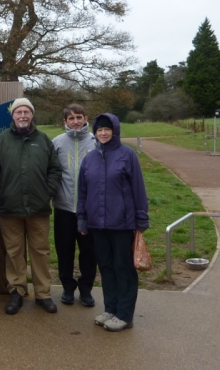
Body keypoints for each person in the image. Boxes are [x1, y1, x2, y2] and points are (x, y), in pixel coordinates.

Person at [77, 113, 149, 332]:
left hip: (122, 224)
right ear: (95, 133)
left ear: (115, 130)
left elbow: (138, 187)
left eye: (107, 129)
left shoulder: (127, 155)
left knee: (123, 267)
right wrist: (82, 218)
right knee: (106, 267)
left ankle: (125, 314)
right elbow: (82, 191)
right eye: (99, 130)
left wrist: (141, 216)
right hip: (97, 225)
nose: (103, 133)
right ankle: (111, 308)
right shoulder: (89, 158)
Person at [0, 98, 62, 315]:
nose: (22, 115)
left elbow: (55, 169)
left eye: (26, 112)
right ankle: (17, 291)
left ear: (32, 115)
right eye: (18, 112)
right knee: (14, 252)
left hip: (38, 208)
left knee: (40, 251)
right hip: (10, 209)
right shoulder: (2, 140)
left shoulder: (43, 140)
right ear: (12, 116)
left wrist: (46, 191)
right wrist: (0, 196)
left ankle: (43, 293)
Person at [52, 104, 97, 307]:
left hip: (89, 210)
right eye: (71, 118)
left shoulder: (97, 142)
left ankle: (86, 289)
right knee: (64, 250)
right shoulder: (57, 143)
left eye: (79, 117)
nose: (76, 121)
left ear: (86, 118)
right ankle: (68, 288)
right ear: (65, 122)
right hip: (64, 208)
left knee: (88, 252)